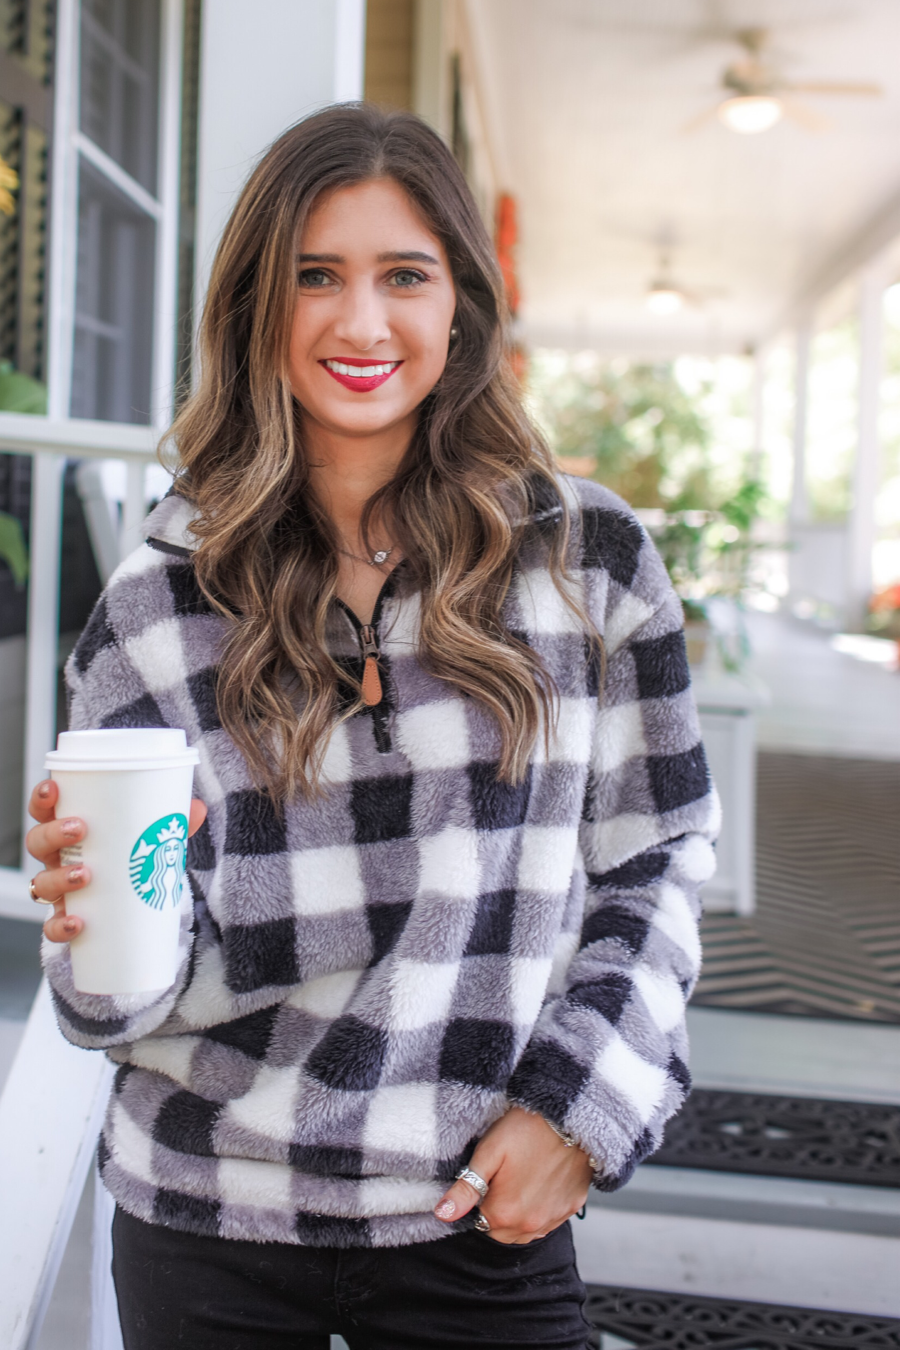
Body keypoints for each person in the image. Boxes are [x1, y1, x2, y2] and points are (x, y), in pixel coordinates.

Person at [26, 104, 717, 1350]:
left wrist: (578, 1113)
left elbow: (653, 866)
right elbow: (116, 1000)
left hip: (474, 1213)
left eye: (404, 275)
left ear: (461, 303)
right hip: (204, 1217)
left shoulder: (587, 564)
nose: (359, 323)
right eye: (314, 277)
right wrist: (96, 916)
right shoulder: (158, 602)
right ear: (257, 306)